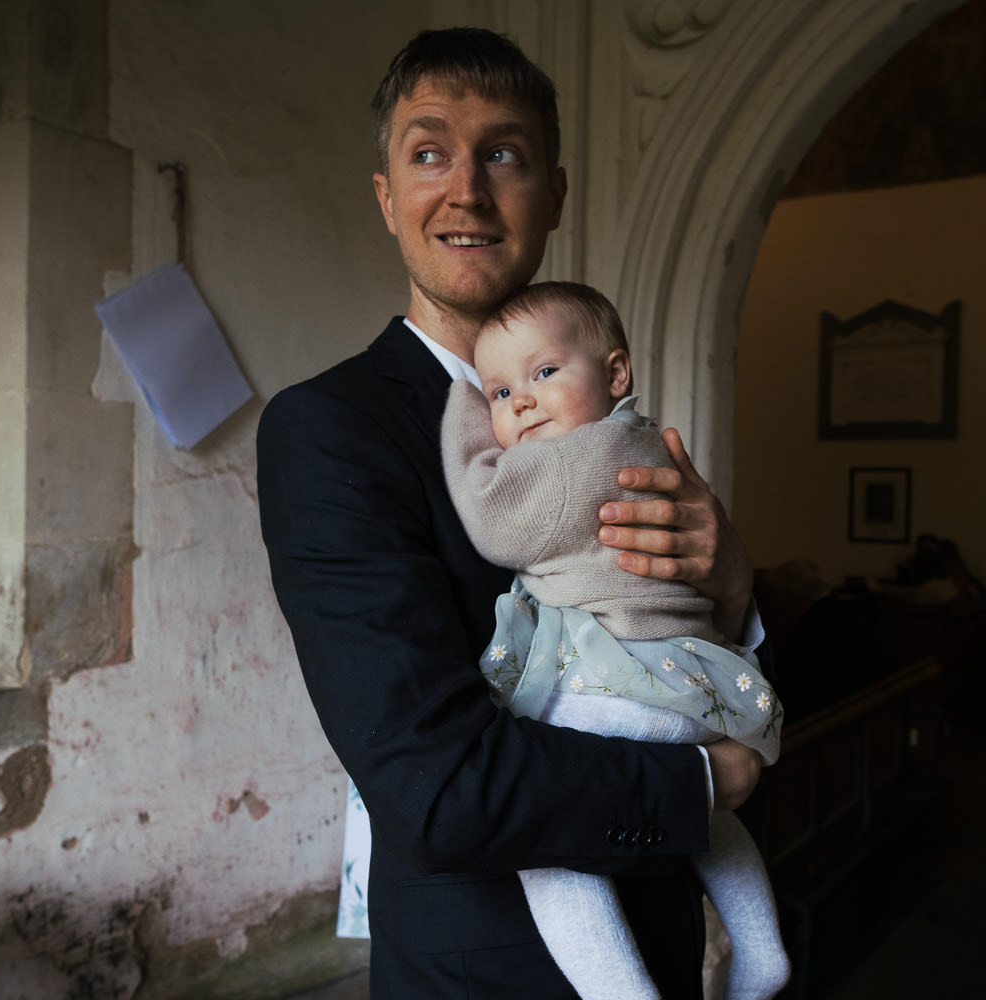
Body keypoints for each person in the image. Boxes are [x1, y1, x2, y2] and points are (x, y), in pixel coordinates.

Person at [256, 27, 765, 999]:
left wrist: (732, 576)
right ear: (386, 196)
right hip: (484, 972)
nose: (467, 190)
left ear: (554, 194)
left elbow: (697, 656)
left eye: (504, 154)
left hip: (666, 943)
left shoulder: (615, 412)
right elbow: (435, 789)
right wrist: (708, 785)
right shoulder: (331, 429)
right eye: (429, 152)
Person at [442, 281, 789, 1000]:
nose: (522, 402)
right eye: (500, 391)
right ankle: (763, 951)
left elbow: (491, 519)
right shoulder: (639, 438)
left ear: (616, 374)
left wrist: (465, 412)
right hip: (684, 686)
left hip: (617, 690)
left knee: (547, 843)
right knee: (709, 818)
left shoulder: (574, 465)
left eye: (543, 374)